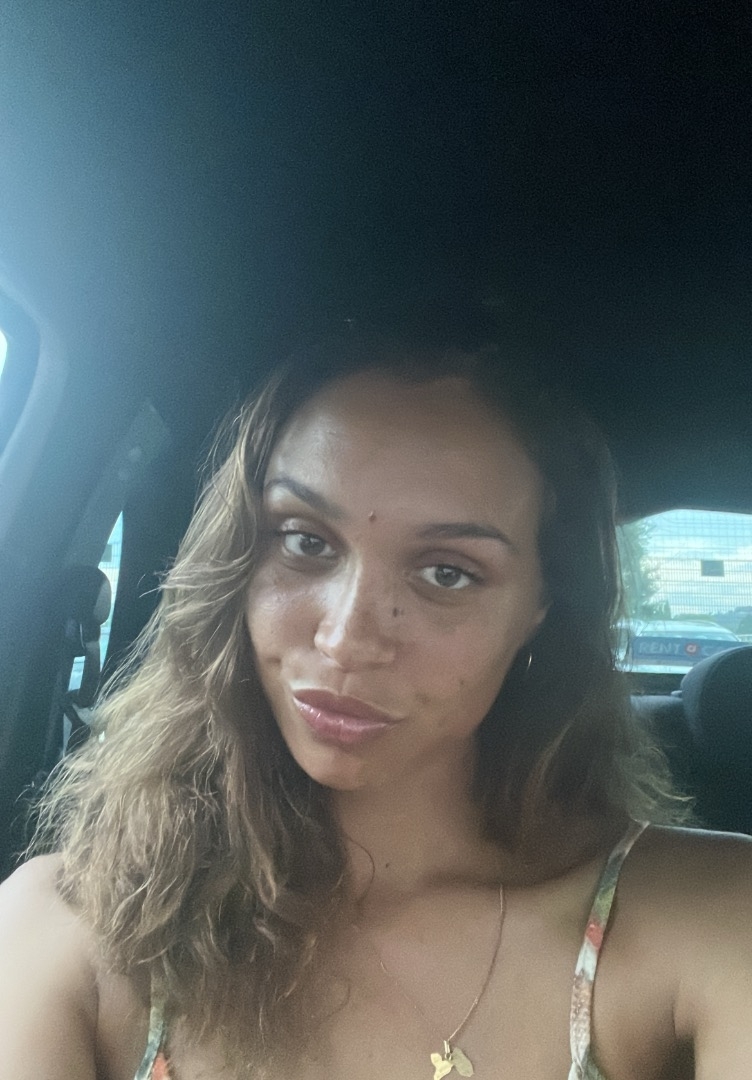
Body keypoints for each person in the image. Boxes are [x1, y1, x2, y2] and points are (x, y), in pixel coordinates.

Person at [1, 328, 751, 1080]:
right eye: (305, 541)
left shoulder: (712, 921)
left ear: (540, 610)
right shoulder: (70, 928)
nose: (346, 638)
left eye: (447, 573)